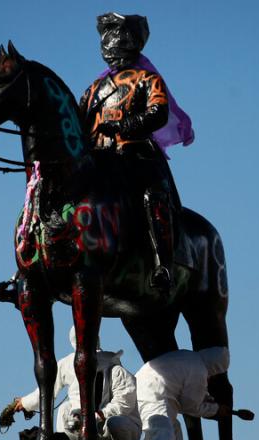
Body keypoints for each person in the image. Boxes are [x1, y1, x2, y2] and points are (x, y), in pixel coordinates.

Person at [78, 12, 195, 291]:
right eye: (107, 36)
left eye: (115, 35)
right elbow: (79, 124)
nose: (109, 43)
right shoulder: (93, 90)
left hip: (136, 155)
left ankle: (162, 264)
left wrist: (122, 125)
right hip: (99, 159)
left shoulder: (148, 79)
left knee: (153, 197)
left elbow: (158, 113)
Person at [14, 328, 141, 440]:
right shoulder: (67, 365)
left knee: (115, 423)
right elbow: (47, 390)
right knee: (65, 409)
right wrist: (25, 403)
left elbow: (123, 404)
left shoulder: (116, 371)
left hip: (115, 427)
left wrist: (97, 416)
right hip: (87, 425)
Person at [134, 346, 231, 440]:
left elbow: (186, 386)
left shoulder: (189, 357)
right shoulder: (200, 370)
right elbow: (190, 406)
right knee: (165, 431)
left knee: (174, 429)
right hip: (154, 394)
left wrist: (207, 399)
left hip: (147, 387)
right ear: (216, 367)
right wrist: (216, 410)